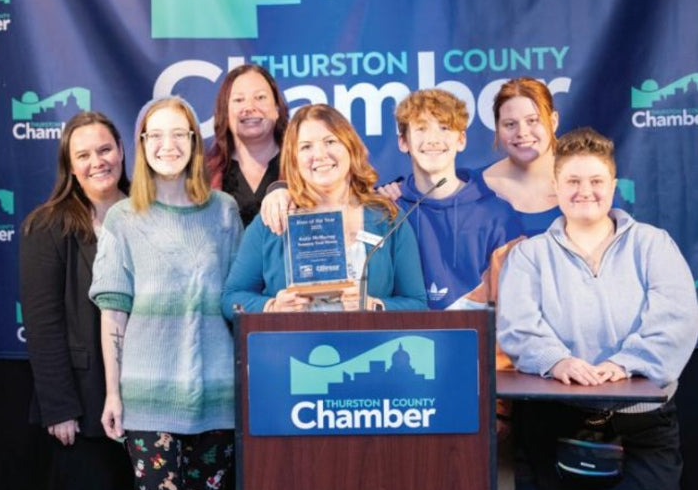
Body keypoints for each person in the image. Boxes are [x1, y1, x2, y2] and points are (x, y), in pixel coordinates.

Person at [497, 127, 698, 490]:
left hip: (643, 428)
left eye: (596, 180)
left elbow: (678, 321)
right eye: (572, 180)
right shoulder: (529, 256)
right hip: (554, 422)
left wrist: (625, 363)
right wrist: (557, 361)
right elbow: (517, 327)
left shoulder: (654, 245)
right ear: (555, 186)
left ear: (613, 183)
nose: (584, 191)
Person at [90, 96, 243, 490]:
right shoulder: (123, 218)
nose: (167, 144)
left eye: (179, 133)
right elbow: (113, 315)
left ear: (195, 141)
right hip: (149, 401)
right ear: (141, 144)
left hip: (217, 400)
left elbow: (238, 301)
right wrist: (112, 393)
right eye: (155, 135)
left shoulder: (224, 212)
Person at [20, 111, 133, 490]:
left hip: (149, 397)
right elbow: (42, 325)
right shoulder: (48, 226)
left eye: (105, 149)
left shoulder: (148, 213)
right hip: (82, 408)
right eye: (83, 155)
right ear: (70, 165)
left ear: (121, 151)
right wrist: (60, 408)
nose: (97, 161)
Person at [222, 103, 427, 315]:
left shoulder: (387, 219)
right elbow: (232, 298)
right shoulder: (274, 220)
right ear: (294, 159)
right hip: (293, 348)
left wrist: (372, 305)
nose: (319, 155)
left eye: (330, 141)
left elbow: (417, 304)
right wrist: (273, 307)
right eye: (306, 147)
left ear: (350, 147)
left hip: (373, 347)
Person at [393, 88, 522, 309]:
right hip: (405, 339)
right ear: (403, 141)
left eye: (444, 128)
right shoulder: (388, 210)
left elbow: (512, 303)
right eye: (421, 128)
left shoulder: (497, 214)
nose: (433, 140)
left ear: (461, 140)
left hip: (475, 338)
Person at [207, 63, 289, 226]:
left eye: (260, 97)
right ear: (225, 112)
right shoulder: (205, 174)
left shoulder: (303, 167)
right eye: (238, 100)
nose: (249, 107)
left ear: (277, 108)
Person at [481, 77, 561, 237]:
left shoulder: (587, 185)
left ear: (553, 122)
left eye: (532, 121)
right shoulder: (475, 189)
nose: (522, 132)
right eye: (510, 124)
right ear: (497, 128)